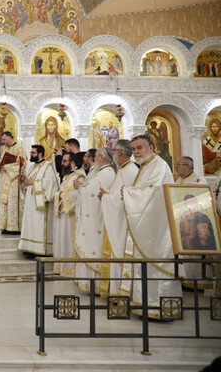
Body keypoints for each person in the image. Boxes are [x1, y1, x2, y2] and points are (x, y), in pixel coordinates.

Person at [118, 135, 180, 318]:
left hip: (158, 228)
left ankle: (160, 308)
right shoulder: (146, 166)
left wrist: (127, 192)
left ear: (151, 148)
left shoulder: (159, 166)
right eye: (133, 149)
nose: (136, 152)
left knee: (156, 266)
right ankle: (144, 305)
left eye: (140, 148)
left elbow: (154, 192)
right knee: (145, 267)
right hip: (148, 226)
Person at [98, 139, 138, 297]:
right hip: (117, 221)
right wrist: (108, 196)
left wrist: (105, 197)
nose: (113, 153)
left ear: (120, 152)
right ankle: (114, 290)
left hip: (123, 224)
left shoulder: (130, 171)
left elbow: (124, 199)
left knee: (120, 254)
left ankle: (120, 292)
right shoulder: (123, 170)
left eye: (114, 150)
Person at [75, 147, 115, 294]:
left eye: (96, 156)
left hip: (97, 220)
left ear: (102, 158)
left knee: (95, 249)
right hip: (101, 217)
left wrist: (79, 187)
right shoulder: (108, 172)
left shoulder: (104, 174)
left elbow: (91, 194)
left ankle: (96, 284)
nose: (94, 159)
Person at [18, 145, 58, 255]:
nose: (31, 155)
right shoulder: (32, 167)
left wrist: (33, 182)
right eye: (31, 153)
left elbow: (50, 184)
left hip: (39, 204)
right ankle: (28, 247)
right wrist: (24, 181)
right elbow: (28, 183)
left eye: (33, 153)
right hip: (30, 203)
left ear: (40, 154)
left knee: (38, 226)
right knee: (30, 225)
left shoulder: (47, 166)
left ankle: (38, 250)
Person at [52, 152, 85, 276]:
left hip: (71, 216)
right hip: (63, 214)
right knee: (62, 240)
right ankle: (61, 267)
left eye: (64, 161)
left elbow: (78, 195)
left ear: (72, 162)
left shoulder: (80, 176)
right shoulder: (68, 176)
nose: (62, 163)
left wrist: (61, 196)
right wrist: (59, 195)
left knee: (69, 241)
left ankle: (70, 269)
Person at [0, 131, 24, 233]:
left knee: (12, 203)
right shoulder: (5, 149)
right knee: (5, 203)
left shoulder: (19, 148)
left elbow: (21, 164)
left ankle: (14, 228)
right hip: (6, 180)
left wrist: (7, 167)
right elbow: (1, 162)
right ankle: (5, 226)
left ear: (9, 137)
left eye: (4, 139)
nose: (3, 142)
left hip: (14, 181)